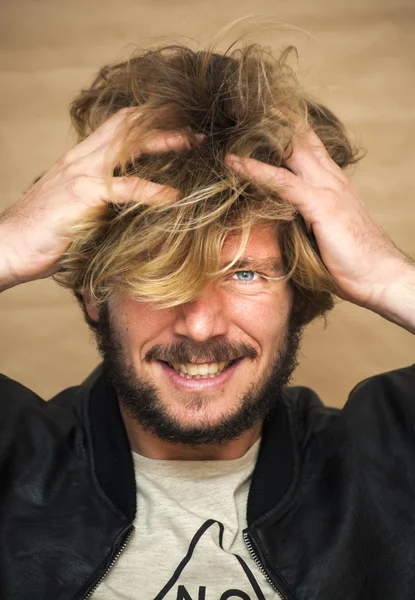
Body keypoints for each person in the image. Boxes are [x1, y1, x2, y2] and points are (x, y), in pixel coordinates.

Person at [0, 39, 414, 600]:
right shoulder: (11, 461)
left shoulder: (393, 461)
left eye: (246, 274)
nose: (200, 327)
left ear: (300, 293)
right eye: (157, 272)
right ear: (98, 293)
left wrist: (388, 276)